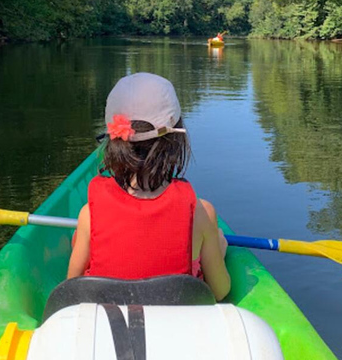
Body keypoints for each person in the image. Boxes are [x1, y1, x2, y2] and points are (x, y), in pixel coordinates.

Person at [67, 72, 231, 301]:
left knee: (78, 239)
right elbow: (220, 292)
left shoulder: (89, 215)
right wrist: (219, 249)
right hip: (175, 316)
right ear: (175, 139)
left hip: (107, 316)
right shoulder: (202, 214)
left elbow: (72, 288)